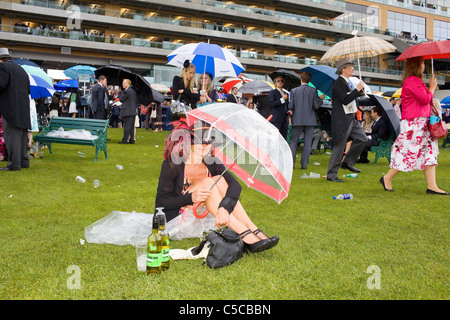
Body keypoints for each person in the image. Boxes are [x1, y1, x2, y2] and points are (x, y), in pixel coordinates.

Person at [155, 120, 279, 253]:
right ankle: (245, 234)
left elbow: (235, 186)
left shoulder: (210, 161)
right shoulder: (172, 165)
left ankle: (253, 229)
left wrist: (224, 208)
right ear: (189, 142)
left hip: (202, 216)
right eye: (200, 141)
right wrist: (191, 197)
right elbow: (161, 202)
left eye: (209, 142)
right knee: (209, 182)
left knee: (218, 180)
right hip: (179, 221)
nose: (205, 145)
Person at [381, 57, 448, 195]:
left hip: (421, 122)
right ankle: (387, 177)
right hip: (414, 123)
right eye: (422, 63)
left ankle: (432, 186)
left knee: (429, 153)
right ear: (416, 65)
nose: (424, 65)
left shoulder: (415, 81)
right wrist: (432, 87)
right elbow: (425, 99)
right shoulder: (413, 81)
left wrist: (430, 88)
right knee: (408, 153)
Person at [326, 58, 367, 182]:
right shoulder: (339, 82)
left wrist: (360, 91)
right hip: (342, 119)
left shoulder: (347, 82)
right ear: (343, 69)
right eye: (350, 67)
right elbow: (345, 99)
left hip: (350, 117)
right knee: (339, 146)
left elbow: (350, 97)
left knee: (362, 139)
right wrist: (357, 89)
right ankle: (331, 174)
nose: (353, 69)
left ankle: (347, 162)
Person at [0, 48, 31, 171]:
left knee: (12, 136)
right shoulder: (21, 69)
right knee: (22, 136)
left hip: (10, 108)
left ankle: (14, 164)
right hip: (23, 107)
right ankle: (23, 161)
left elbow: (1, 85)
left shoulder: (3, 68)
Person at [287, 71, 325, 169]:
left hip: (297, 119)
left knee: (293, 142)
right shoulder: (313, 91)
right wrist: (320, 99)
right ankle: (304, 165)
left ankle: (291, 163)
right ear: (309, 80)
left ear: (301, 79)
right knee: (307, 143)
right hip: (310, 120)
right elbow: (316, 106)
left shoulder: (294, 91)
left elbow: (290, 106)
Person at [268, 76, 289, 140]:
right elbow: (272, 104)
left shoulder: (286, 93)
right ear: (275, 83)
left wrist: (288, 110)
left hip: (284, 119)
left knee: (283, 137)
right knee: (275, 137)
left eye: (282, 81)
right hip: (276, 118)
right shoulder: (272, 92)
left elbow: (287, 105)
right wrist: (282, 99)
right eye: (278, 81)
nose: (280, 82)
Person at [118, 79, 137, 144]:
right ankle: (131, 139)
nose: (122, 84)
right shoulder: (133, 91)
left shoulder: (126, 91)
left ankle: (125, 140)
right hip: (132, 111)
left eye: (124, 83)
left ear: (128, 84)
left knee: (126, 126)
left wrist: (121, 93)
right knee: (131, 126)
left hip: (127, 111)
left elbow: (121, 99)